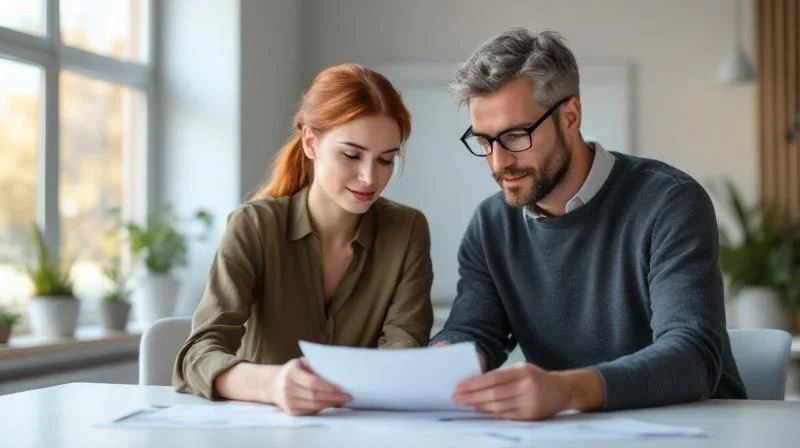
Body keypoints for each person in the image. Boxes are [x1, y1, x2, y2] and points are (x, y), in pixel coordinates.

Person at [430, 28, 746, 421]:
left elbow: (693, 355)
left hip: (701, 427)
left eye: (515, 136)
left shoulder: (669, 202)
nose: (498, 162)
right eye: (483, 140)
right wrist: (444, 366)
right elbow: (472, 331)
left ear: (570, 116)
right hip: (574, 430)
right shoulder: (491, 224)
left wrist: (565, 390)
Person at [174, 64, 434, 416]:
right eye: (351, 155)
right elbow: (199, 352)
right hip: (262, 433)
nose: (370, 177)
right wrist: (273, 384)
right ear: (311, 143)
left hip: (365, 431)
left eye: (386, 160)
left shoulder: (407, 230)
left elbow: (405, 345)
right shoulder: (253, 226)